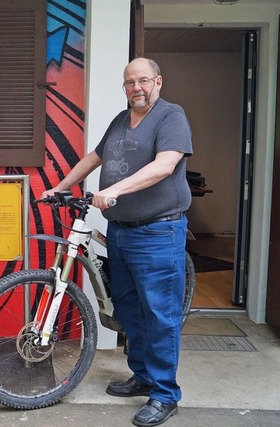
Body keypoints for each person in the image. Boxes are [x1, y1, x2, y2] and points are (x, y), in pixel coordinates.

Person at [42, 57, 192, 427]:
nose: (136, 88)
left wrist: (112, 191)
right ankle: (142, 376)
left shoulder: (171, 116)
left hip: (158, 231)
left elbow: (164, 165)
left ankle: (164, 394)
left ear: (158, 81)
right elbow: (93, 158)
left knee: (159, 314)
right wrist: (59, 188)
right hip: (122, 233)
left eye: (143, 80)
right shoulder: (120, 120)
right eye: (129, 82)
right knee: (129, 310)